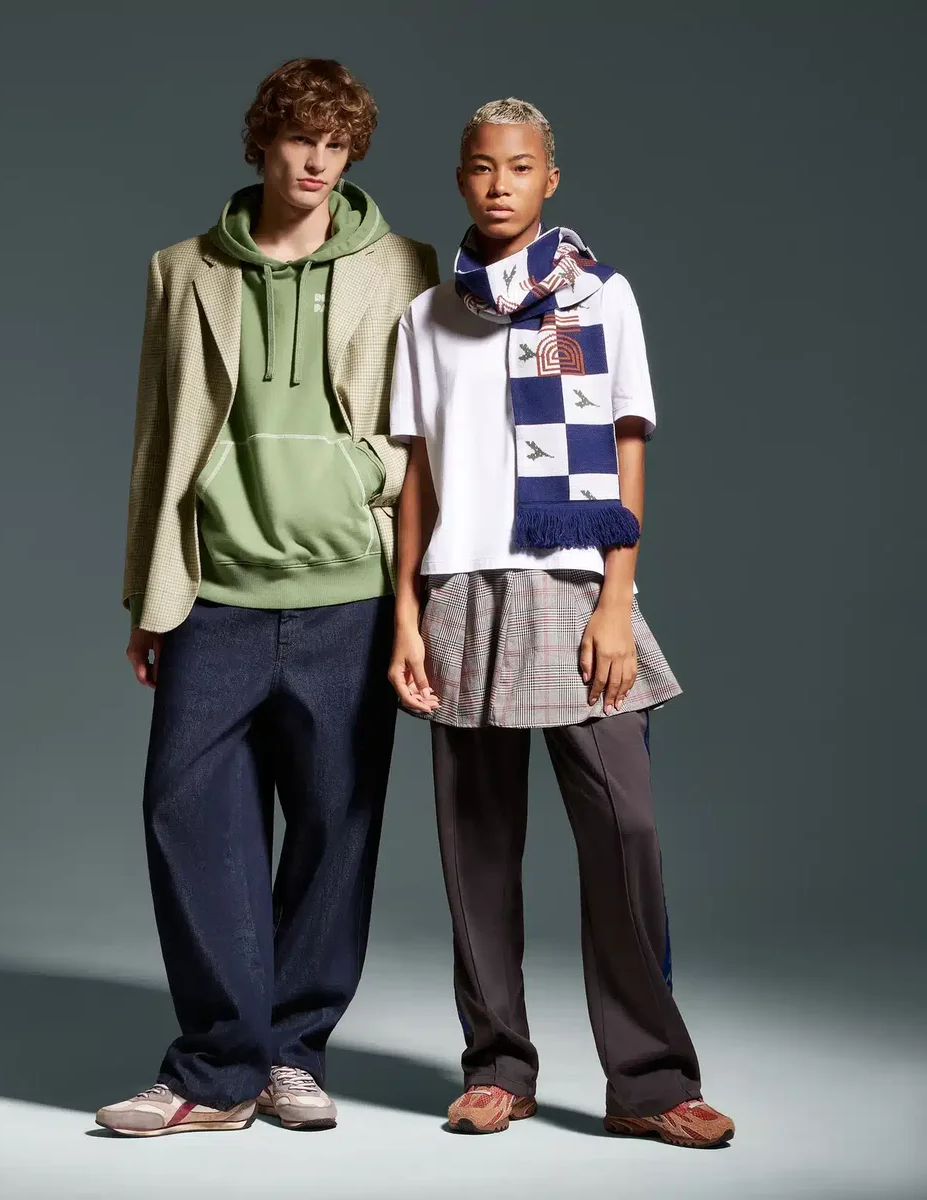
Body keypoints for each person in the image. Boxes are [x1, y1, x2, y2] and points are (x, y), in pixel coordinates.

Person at [96, 58, 439, 1137]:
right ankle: (216, 1067)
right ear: (263, 142)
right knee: (185, 813)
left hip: (351, 595)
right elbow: (157, 438)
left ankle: (291, 1054)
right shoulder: (183, 270)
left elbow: (427, 429)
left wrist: (364, 478)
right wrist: (147, 594)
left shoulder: (406, 266)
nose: (318, 162)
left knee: (337, 826)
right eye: (300, 139)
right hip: (216, 592)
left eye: (337, 145)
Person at [387, 98, 734, 1147]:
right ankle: (496, 1068)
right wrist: (404, 614)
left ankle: (649, 1082)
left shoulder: (599, 298)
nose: (498, 184)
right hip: (461, 589)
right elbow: (415, 476)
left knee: (623, 833)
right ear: (460, 177)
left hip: (576, 584)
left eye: (519, 166)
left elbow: (626, 442)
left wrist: (616, 599)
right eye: (480, 166)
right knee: (476, 851)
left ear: (549, 178)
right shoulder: (426, 317)